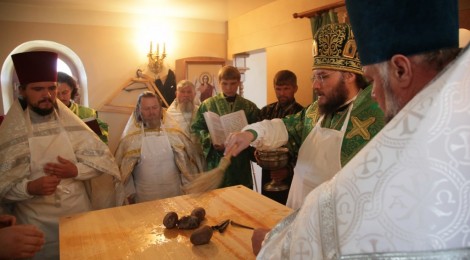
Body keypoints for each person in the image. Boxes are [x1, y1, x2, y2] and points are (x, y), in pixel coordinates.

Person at [247, 0, 469, 258]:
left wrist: (272, 246)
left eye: (373, 79)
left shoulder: (383, 126)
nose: (372, 93)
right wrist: (252, 133)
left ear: (401, 70)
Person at [226, 23, 385, 210]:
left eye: (323, 77)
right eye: (314, 77)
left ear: (349, 75)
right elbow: (285, 126)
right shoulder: (316, 110)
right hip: (298, 214)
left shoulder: (377, 116)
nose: (315, 85)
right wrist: (250, 133)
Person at [0, 51, 123, 259]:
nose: (46, 95)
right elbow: (3, 186)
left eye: (51, 88)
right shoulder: (10, 132)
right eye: (38, 89)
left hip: (78, 214)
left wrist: (75, 170)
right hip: (34, 222)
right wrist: (30, 187)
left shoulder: (73, 125)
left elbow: (103, 163)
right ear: (22, 91)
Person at [191, 65, 260, 189]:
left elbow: (257, 133)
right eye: (225, 84)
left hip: (240, 162)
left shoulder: (249, 107)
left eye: (233, 83)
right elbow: (197, 129)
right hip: (217, 161)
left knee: (242, 199)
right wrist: (211, 140)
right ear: (219, 83)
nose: (229, 88)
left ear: (239, 82)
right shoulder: (207, 105)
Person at [115, 91, 185, 204]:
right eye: (147, 109)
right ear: (139, 110)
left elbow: (186, 165)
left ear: (161, 108)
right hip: (145, 196)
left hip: (174, 194)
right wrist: (129, 194)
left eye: (154, 107)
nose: (152, 112)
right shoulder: (130, 139)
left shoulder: (174, 134)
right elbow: (123, 173)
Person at [257, 70, 303, 205]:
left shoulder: (302, 114)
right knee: (267, 207)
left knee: (287, 211)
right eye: (278, 89)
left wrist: (288, 170)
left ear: (295, 89)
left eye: (286, 89)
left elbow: (305, 149)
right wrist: (258, 155)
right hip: (268, 171)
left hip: (291, 174)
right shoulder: (266, 111)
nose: (282, 93)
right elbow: (259, 140)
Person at [163, 80, 206, 185]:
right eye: (182, 91)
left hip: (199, 160)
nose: (186, 95)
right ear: (176, 94)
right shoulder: (168, 116)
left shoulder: (201, 113)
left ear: (194, 94)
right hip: (177, 162)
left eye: (189, 92)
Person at [57, 72, 109, 144]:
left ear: (72, 90)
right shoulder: (43, 114)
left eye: (65, 92)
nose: (61, 97)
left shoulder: (87, 114)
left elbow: (100, 140)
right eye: (56, 94)